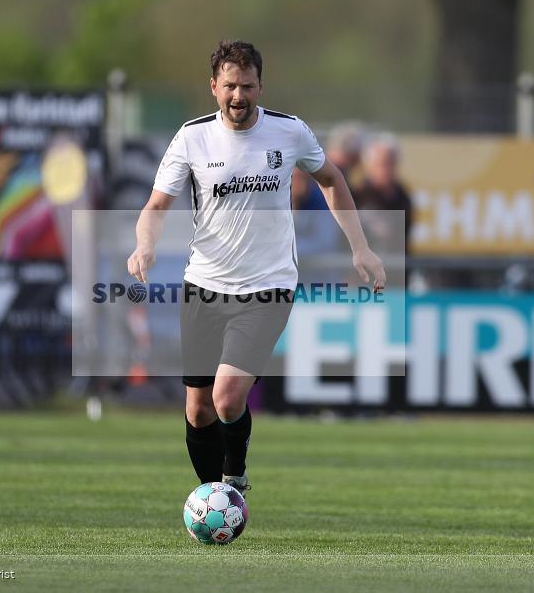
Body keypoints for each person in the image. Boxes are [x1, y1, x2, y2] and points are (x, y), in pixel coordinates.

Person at [127, 40, 385, 496]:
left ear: (260, 85)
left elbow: (331, 180)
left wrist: (360, 248)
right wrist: (144, 245)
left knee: (227, 398)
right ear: (213, 87)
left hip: (268, 288)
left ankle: (234, 476)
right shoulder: (192, 137)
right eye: (229, 86)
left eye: (247, 86)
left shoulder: (289, 132)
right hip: (204, 285)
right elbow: (156, 204)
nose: (238, 96)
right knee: (199, 410)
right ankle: (213, 500)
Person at [354, 133, 413, 254]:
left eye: (391, 163)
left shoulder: (403, 197)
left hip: (395, 267)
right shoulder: (357, 196)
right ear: (369, 166)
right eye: (382, 164)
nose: (387, 169)